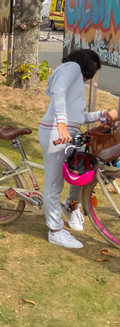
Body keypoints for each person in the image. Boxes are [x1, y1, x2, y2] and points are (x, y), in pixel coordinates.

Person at [38, 49, 117, 249]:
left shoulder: (73, 75)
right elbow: (58, 92)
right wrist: (61, 125)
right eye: (94, 69)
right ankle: (55, 231)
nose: (91, 75)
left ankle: (70, 207)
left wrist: (102, 114)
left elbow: (79, 117)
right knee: (54, 184)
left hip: (67, 134)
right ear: (88, 64)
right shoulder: (71, 67)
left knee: (80, 174)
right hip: (56, 133)